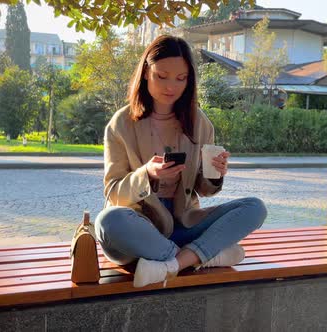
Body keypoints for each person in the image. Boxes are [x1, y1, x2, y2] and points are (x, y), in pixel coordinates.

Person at [94, 35, 267, 288]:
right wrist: (148, 175)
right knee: (108, 222)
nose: (171, 86)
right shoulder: (121, 124)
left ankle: (172, 263)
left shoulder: (199, 122)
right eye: (161, 76)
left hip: (185, 223)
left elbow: (203, 190)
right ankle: (203, 255)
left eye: (181, 78)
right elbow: (114, 193)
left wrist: (214, 174)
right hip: (140, 228)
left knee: (255, 207)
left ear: (190, 79)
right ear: (145, 73)